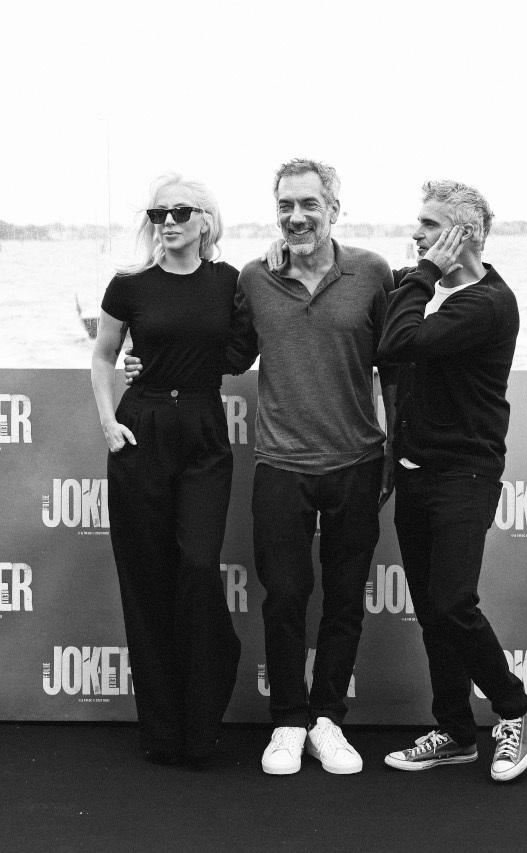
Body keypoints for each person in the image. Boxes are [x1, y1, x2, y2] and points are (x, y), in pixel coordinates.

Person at [127, 159, 395, 776]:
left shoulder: (373, 274)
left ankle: (328, 720)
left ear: (334, 208)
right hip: (280, 464)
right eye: (284, 206)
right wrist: (148, 363)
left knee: (346, 598)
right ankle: (288, 722)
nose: (295, 217)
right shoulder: (254, 278)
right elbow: (221, 351)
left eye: (308, 204)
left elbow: (397, 363)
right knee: (284, 597)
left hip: (356, 459)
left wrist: (395, 445)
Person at [376, 180, 527, 783]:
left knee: (452, 602)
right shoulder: (431, 291)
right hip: (417, 474)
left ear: (459, 236)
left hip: (463, 476)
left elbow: (398, 342)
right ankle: (453, 729)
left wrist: (420, 274)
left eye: (426, 225)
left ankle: (515, 711)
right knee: (431, 610)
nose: (414, 235)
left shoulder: (487, 303)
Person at [90, 174, 242, 769]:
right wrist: (108, 422)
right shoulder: (129, 287)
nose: (168, 221)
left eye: (180, 211)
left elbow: (246, 341)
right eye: (158, 213)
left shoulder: (231, 283)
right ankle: (163, 731)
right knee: (147, 579)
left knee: (199, 568)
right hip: (142, 427)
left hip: (204, 428)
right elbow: (103, 357)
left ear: (206, 219)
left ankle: (201, 723)